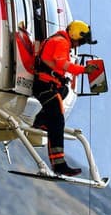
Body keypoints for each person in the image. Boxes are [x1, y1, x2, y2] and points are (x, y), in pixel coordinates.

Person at [32, 20, 94, 177]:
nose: (78, 46)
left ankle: (41, 121)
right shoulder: (62, 42)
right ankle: (59, 164)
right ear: (75, 35)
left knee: (64, 91)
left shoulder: (58, 40)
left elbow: (54, 64)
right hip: (45, 86)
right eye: (80, 41)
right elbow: (62, 63)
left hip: (47, 84)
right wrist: (83, 70)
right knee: (57, 120)